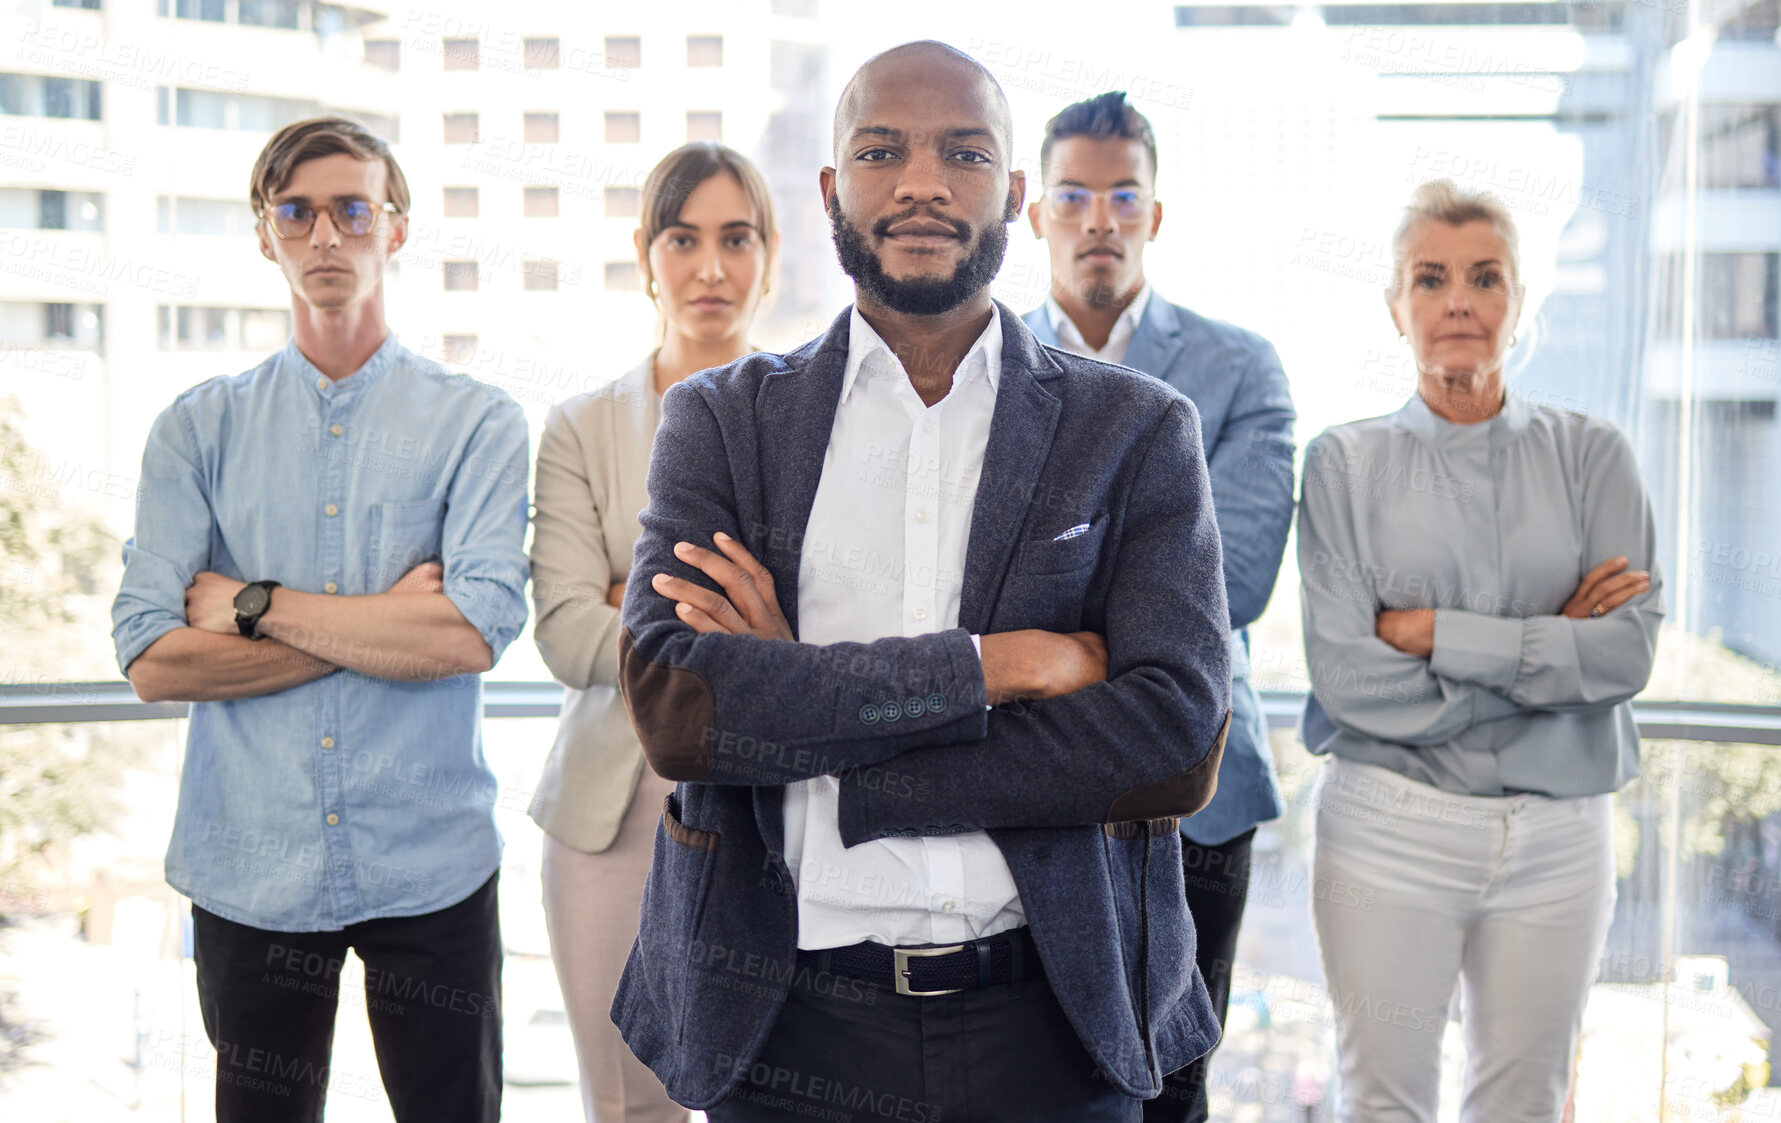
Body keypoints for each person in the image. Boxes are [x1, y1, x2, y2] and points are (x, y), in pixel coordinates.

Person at [610, 40, 1235, 1122]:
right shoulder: (720, 421)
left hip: (1053, 1028)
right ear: (830, 190)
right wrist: (999, 668)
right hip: (788, 1026)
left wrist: (822, 721)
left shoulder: (1132, 430)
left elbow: (1173, 741)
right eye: (879, 150)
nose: (920, 183)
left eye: (963, 152)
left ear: (1014, 196)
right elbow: (677, 709)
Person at [110, 117, 529, 1122]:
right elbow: (152, 659)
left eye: (353, 209)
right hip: (248, 861)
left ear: (396, 228)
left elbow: (471, 633)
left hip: (430, 863)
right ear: (265, 235)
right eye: (295, 213)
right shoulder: (196, 428)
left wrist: (252, 608)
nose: (326, 236)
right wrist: (386, 625)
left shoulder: (478, 421)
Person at [1296, 178, 1662, 1122]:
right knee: (1382, 1103)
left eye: (1484, 276)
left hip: (1558, 838)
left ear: (1518, 303)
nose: (1457, 299)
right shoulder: (1344, 462)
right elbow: (1347, 680)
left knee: (1526, 1103)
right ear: (1395, 307)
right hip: (1387, 827)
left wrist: (1439, 638)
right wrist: (1552, 658)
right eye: (1430, 278)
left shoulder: (1596, 458)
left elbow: (1623, 661)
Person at [1021, 91, 1296, 1123]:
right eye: (1074, 196)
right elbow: (963, 585)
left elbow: (1238, 577)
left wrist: (1058, 603)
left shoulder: (1237, 369)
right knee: (1037, 1081)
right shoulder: (976, 361)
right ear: (1037, 213)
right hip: (1028, 782)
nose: (1100, 219)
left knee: (1173, 1089)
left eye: (1123, 195)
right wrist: (1145, 556)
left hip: (1197, 788)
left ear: (1154, 214)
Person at [527, 141, 778, 1123]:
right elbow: (562, 631)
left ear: (769, 254)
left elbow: (823, 634)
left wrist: (639, 595)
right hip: (606, 814)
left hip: (771, 809)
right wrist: (732, 617)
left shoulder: (818, 413)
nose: (709, 268)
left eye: (734, 238)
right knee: (625, 1106)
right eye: (682, 238)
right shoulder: (581, 425)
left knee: (770, 1096)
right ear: (644, 253)